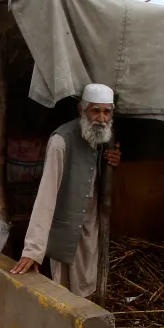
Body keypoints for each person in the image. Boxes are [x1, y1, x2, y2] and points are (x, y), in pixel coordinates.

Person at [10, 83, 121, 298]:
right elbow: (47, 194)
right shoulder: (61, 141)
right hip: (64, 223)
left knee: (88, 283)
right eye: (95, 110)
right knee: (61, 291)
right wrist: (33, 249)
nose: (101, 118)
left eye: (107, 112)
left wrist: (113, 162)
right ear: (81, 110)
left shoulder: (105, 137)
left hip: (90, 223)